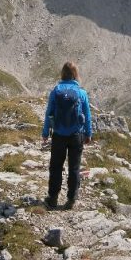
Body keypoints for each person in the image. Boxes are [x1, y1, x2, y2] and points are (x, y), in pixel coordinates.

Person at [42, 61, 92, 210]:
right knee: (74, 167)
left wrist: (45, 132)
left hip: (58, 135)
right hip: (76, 135)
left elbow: (48, 113)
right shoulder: (81, 93)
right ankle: (71, 199)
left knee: (56, 167)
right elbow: (88, 116)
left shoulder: (56, 90)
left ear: (63, 74)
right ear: (76, 74)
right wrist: (88, 133)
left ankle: (52, 198)